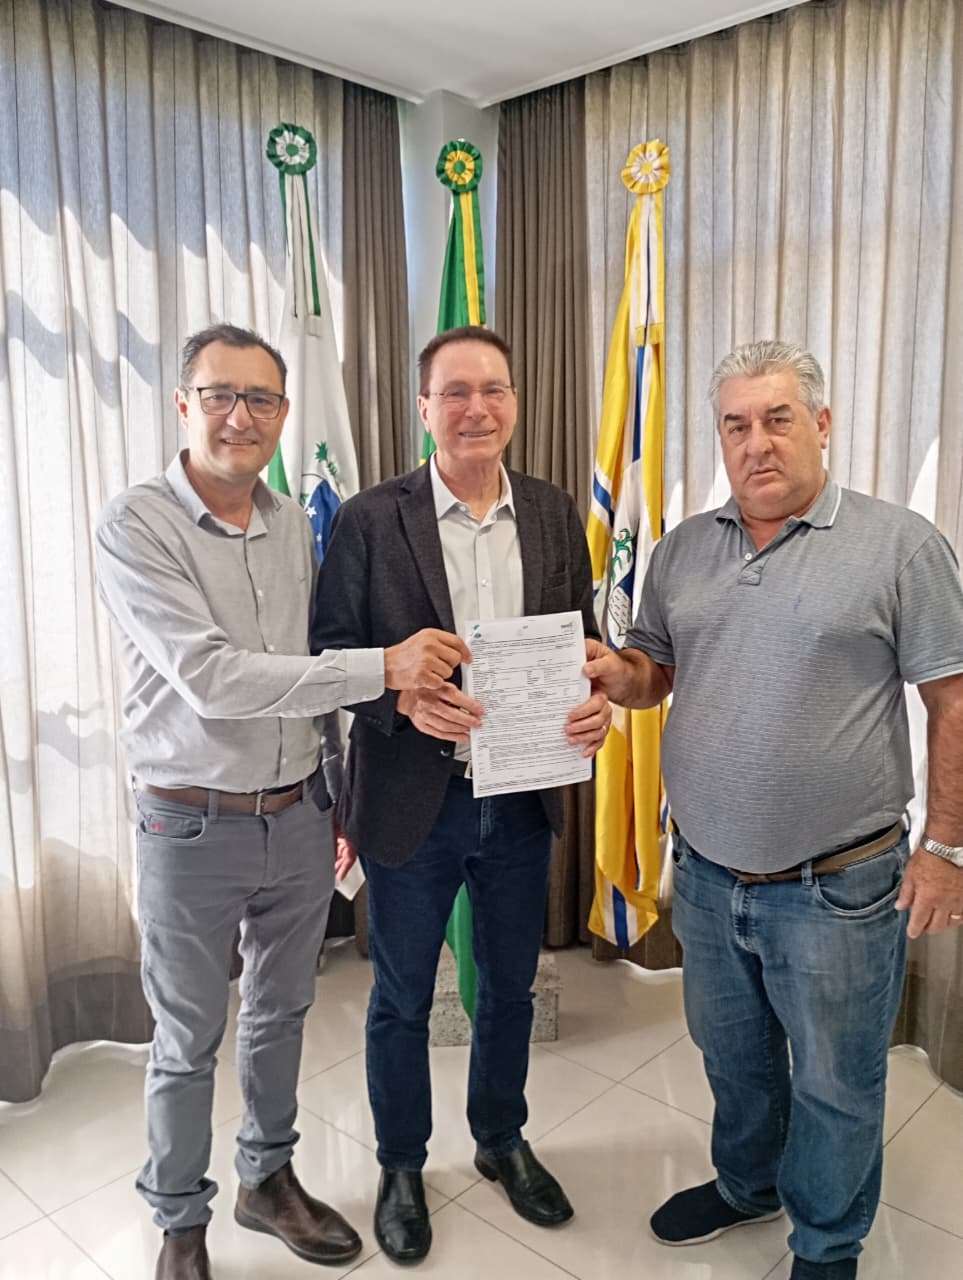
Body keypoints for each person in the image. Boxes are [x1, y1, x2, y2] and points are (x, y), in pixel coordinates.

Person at [95, 323, 469, 1280]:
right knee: (187, 1037)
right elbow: (213, 679)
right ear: (184, 404)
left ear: (283, 413)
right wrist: (384, 668)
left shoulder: (297, 523)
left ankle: (267, 1178)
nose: (240, 416)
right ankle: (180, 1221)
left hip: (299, 811)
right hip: (188, 820)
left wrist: (336, 791)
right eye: (220, 395)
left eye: (260, 398)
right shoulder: (137, 524)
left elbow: (308, 667)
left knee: (282, 1012)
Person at [585, 339, 963, 1280]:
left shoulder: (900, 545)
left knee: (836, 1081)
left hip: (837, 885)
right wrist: (617, 676)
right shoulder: (682, 548)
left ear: (821, 425)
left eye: (777, 419)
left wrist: (945, 849)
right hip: (707, 875)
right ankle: (747, 1184)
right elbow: (655, 671)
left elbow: (952, 703)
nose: (755, 443)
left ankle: (827, 1244)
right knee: (733, 1059)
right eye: (735, 424)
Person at [311, 325, 612, 1264]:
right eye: (455, 392)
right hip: (414, 802)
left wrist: (596, 701)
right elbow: (329, 654)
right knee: (401, 997)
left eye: (493, 390)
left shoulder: (555, 512)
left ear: (514, 402)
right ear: (424, 408)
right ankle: (401, 1165)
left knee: (510, 988)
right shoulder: (370, 519)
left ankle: (499, 1139)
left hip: (521, 800)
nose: (476, 408)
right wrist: (398, 697)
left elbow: (581, 643)